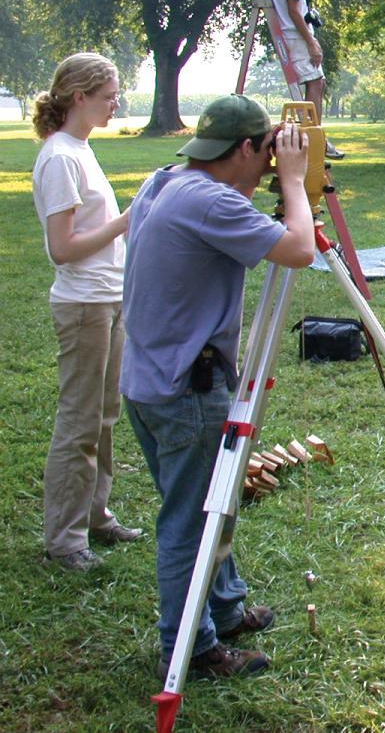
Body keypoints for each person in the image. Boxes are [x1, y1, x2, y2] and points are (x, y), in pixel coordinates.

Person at [121, 94, 315, 679]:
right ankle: (192, 650)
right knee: (192, 522)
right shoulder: (209, 201)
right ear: (248, 148)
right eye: (266, 154)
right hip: (187, 389)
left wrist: (274, 178)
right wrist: (297, 184)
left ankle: (225, 607)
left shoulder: (169, 181)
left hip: (149, 378)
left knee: (213, 503)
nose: (269, 167)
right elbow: (300, 249)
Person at [32, 52, 142, 572]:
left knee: (104, 417)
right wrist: (126, 220)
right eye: (108, 94)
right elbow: (63, 248)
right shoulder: (59, 157)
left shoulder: (81, 148)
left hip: (108, 299)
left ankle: (96, 516)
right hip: (82, 306)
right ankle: (66, 540)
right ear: (80, 96)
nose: (115, 102)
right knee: (79, 423)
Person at [269, 0, 344, 159]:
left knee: (317, 82)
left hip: (296, 34)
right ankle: (314, 138)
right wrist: (311, 41)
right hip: (295, 36)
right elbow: (294, 10)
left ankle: (315, 136)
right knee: (316, 82)